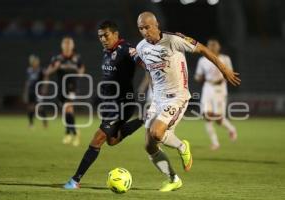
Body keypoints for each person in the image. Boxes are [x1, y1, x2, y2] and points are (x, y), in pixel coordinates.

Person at [135, 12, 240, 192]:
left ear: (156, 24)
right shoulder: (141, 47)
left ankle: (182, 146)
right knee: (149, 145)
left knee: (157, 133)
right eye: (141, 28)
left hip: (177, 97)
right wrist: (153, 97)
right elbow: (150, 70)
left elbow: (203, 50)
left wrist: (224, 69)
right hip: (158, 99)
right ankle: (173, 179)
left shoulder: (174, 40)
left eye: (147, 27)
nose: (145, 31)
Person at [64, 20, 143, 189]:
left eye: (106, 35)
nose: (103, 39)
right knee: (112, 141)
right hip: (109, 104)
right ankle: (144, 119)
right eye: (100, 36)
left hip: (123, 103)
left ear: (115, 34)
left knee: (98, 138)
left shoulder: (126, 49)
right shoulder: (107, 51)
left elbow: (144, 63)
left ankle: (75, 180)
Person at [195, 38, 237, 150]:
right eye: (210, 45)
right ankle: (215, 143)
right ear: (207, 47)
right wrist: (199, 78)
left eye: (215, 45)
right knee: (206, 115)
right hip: (208, 88)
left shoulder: (225, 59)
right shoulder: (202, 60)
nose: (212, 47)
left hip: (220, 89)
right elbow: (198, 76)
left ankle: (231, 129)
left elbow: (230, 73)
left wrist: (224, 77)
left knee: (218, 119)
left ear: (219, 47)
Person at [45, 36, 85, 146]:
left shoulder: (77, 58)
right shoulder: (57, 58)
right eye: (65, 44)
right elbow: (47, 72)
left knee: (68, 107)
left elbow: (82, 68)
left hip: (72, 87)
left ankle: (74, 133)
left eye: (69, 44)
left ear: (72, 46)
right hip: (61, 87)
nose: (67, 46)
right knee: (66, 111)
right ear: (62, 45)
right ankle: (69, 132)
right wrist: (55, 68)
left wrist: (80, 72)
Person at [23, 54, 47, 129]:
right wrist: (25, 92)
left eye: (35, 61)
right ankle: (31, 124)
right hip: (31, 91)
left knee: (40, 107)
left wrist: (44, 88)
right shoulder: (29, 70)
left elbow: (46, 79)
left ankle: (45, 123)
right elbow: (27, 82)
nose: (34, 62)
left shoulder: (41, 70)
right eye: (33, 61)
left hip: (38, 91)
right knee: (30, 107)